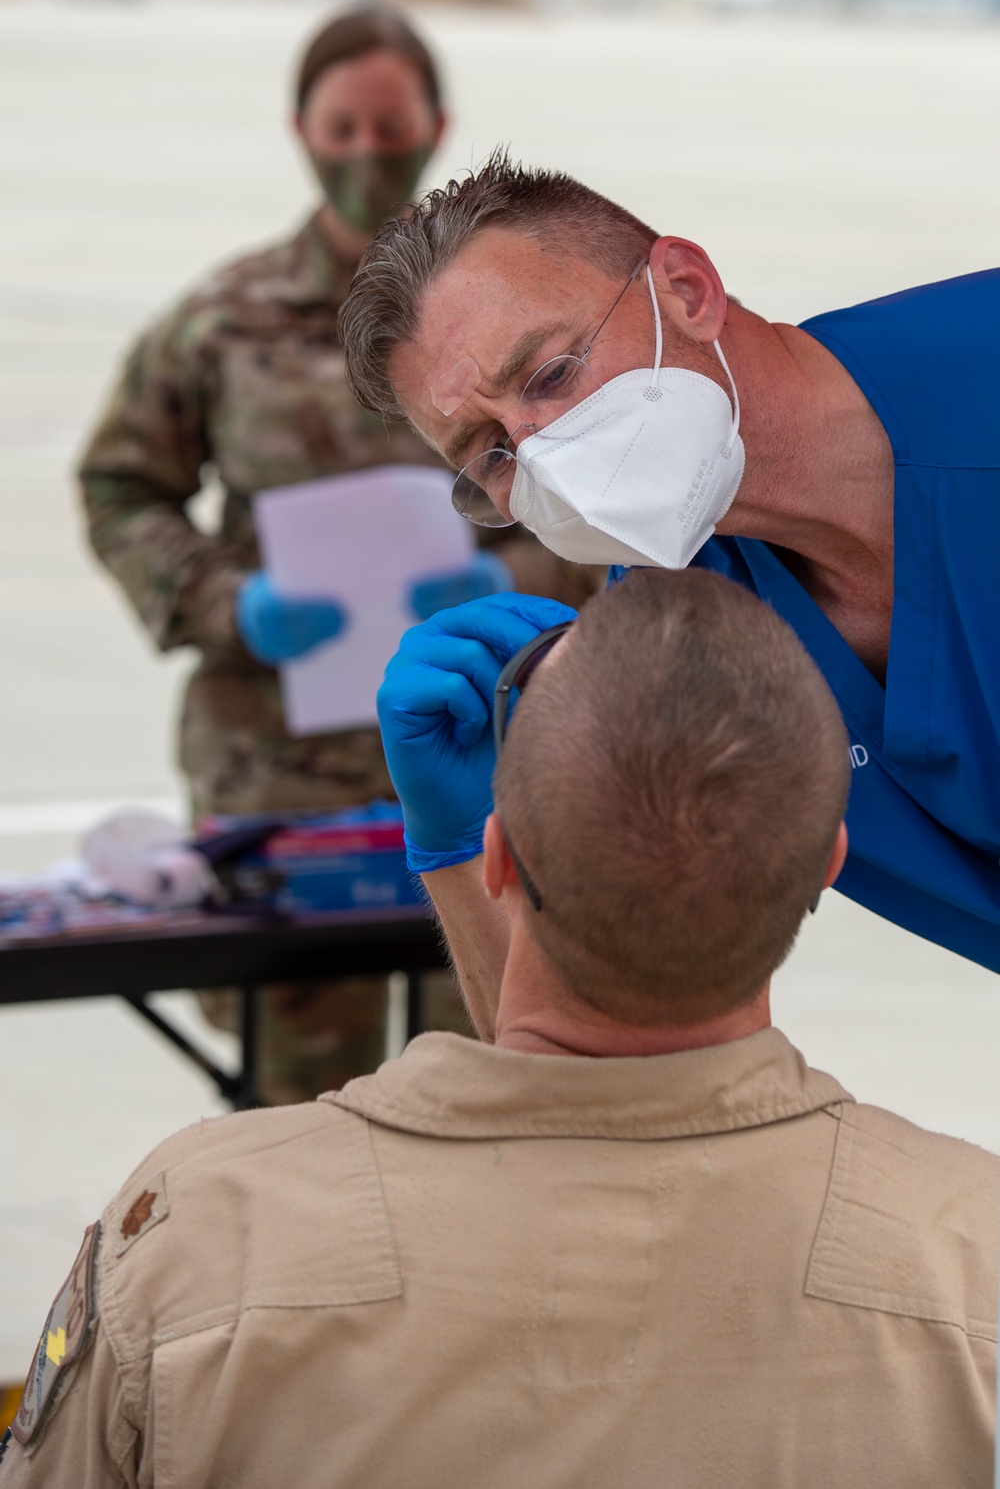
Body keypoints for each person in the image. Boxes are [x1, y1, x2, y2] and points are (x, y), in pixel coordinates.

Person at [2, 571, 996, 1487]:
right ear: (825, 863)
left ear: (500, 857)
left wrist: (446, 851)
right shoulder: (967, 1255)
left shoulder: (203, 1234)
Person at [79, 28, 598, 1101]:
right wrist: (226, 601)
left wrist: (526, 588)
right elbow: (121, 485)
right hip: (284, 778)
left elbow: (603, 495)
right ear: (301, 135)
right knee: (302, 1101)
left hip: (490, 750)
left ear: (436, 132)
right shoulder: (222, 322)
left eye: (392, 128)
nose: (368, 150)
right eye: (343, 129)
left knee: (503, 1075)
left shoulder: (503, 320)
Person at [338, 151, 1000, 977]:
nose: (542, 453)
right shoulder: (675, 634)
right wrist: (459, 844)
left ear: (687, 291)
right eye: (493, 453)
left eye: (549, 374)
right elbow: (591, 1037)